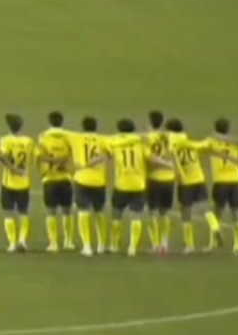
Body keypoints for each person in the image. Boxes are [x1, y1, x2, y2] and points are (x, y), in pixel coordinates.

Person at [106, 118, 164, 257]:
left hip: (121, 184)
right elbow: (152, 158)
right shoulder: (140, 144)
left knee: (116, 215)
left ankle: (114, 245)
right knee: (136, 216)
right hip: (138, 184)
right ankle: (132, 247)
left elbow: (106, 153)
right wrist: (167, 164)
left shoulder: (115, 144)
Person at [166, 119, 210, 255]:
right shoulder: (188, 140)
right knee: (204, 208)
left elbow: (173, 156)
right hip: (199, 178)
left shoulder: (173, 142)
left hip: (185, 181)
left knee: (185, 212)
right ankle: (214, 226)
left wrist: (178, 174)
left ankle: (189, 245)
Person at [203, 118, 238, 253]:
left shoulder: (211, 141)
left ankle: (213, 243)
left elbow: (199, 147)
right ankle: (237, 246)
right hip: (235, 181)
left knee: (216, 213)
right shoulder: (235, 143)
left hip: (220, 182)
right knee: (236, 213)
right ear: (228, 128)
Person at [70, 116, 110, 256]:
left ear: (83, 127)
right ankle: (101, 245)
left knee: (83, 211)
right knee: (99, 212)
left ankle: (87, 246)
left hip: (81, 179)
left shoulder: (75, 138)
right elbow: (108, 154)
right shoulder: (103, 140)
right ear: (96, 126)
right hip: (99, 180)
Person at [37, 112, 76, 253]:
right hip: (65, 177)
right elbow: (71, 154)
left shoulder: (43, 137)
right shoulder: (69, 137)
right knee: (67, 211)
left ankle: (53, 243)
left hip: (49, 178)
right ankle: (68, 241)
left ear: (49, 121)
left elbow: (40, 156)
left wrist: (51, 164)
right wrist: (61, 161)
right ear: (62, 121)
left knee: (50, 212)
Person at [0, 114, 35, 253]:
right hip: (23, 182)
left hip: (8, 182)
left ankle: (12, 243)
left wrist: (12, 168)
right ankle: (22, 240)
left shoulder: (5, 140)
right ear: (21, 126)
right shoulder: (29, 141)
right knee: (23, 212)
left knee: (8, 212)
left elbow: (2, 156)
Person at [144, 110, 178, 254]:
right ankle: (165, 243)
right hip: (169, 179)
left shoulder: (147, 138)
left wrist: (165, 164)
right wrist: (170, 165)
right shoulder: (170, 137)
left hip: (154, 179)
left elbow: (149, 157)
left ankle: (156, 245)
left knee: (152, 213)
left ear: (150, 122)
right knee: (164, 213)